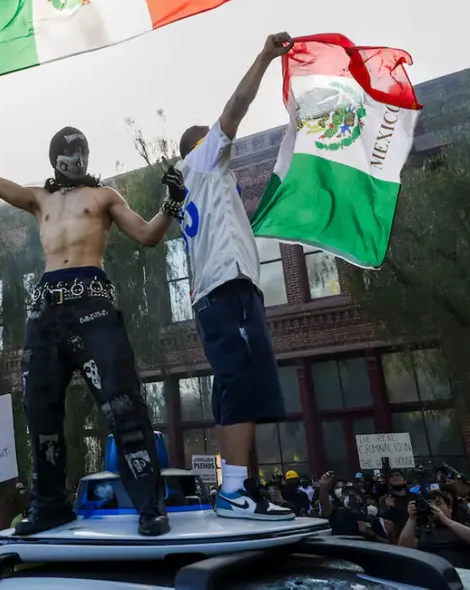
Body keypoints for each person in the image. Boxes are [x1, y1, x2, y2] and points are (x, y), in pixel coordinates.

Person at [0, 109, 179, 537]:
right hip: (45, 309)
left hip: (93, 303)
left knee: (121, 402)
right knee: (39, 410)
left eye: (78, 149)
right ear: (53, 157)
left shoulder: (104, 197)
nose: (72, 157)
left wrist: (172, 203)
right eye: (65, 150)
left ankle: (150, 506)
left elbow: (148, 235)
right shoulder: (38, 199)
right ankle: (49, 506)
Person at [169, 32, 296, 521]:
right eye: (217, 137)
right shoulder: (203, 158)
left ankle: (246, 487)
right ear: (203, 144)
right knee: (242, 384)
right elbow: (238, 105)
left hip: (222, 291)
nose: (229, 142)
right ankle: (233, 490)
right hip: (227, 288)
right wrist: (264, 56)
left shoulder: (195, 185)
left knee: (239, 387)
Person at [399, 490, 470, 571]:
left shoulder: (464, 526)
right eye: (430, 505)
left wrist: (446, 520)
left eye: (438, 504)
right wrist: (411, 519)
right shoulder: (423, 530)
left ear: (450, 508)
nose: (434, 508)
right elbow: (404, 549)